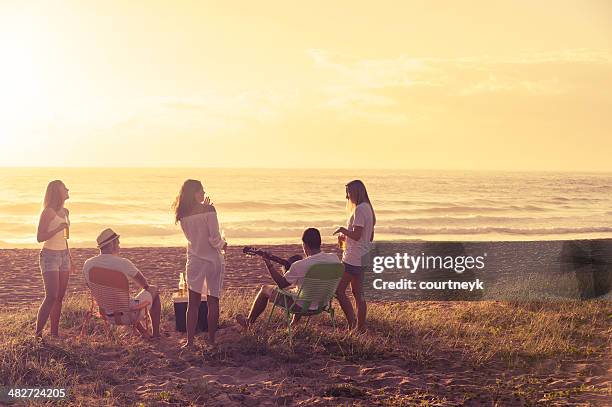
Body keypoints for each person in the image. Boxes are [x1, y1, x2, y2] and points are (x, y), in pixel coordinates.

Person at [235, 228, 341, 330]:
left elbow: (282, 284)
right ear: (320, 243)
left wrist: (268, 264)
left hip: (302, 307)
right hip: (322, 304)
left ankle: (248, 322)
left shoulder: (300, 265)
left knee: (264, 289)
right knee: (300, 290)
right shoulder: (334, 258)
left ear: (305, 245)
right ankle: (294, 323)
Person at [173, 179, 226, 348]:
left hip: (194, 261)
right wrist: (224, 244)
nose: (204, 193)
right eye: (201, 190)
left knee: (193, 304)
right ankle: (211, 341)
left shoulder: (182, 214)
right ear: (194, 193)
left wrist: (205, 208)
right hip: (212, 260)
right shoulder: (209, 209)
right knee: (213, 301)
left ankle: (189, 342)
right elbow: (214, 238)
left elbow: (194, 237)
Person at [82, 228, 161, 338]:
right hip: (128, 315)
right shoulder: (123, 263)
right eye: (117, 242)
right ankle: (156, 334)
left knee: (124, 300)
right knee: (154, 290)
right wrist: (146, 289)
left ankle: (143, 332)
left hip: (107, 314)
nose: (119, 244)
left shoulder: (88, 265)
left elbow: (90, 287)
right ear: (111, 244)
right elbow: (144, 284)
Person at [334, 180, 376, 332]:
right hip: (363, 256)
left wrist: (343, 231)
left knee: (338, 291)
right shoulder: (369, 209)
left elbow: (357, 235)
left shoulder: (359, 210)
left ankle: (352, 324)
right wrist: (346, 238)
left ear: (356, 192)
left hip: (353, 259)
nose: (346, 196)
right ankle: (361, 327)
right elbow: (368, 237)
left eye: (348, 192)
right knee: (358, 294)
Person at [35, 180, 73, 339]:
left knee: (59, 297)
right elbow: (39, 237)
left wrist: (70, 257)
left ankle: (54, 333)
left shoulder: (66, 211)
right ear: (57, 192)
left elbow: (65, 237)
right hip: (49, 256)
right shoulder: (48, 212)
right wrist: (58, 228)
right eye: (64, 188)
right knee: (51, 296)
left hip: (63, 256)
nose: (67, 189)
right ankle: (37, 335)